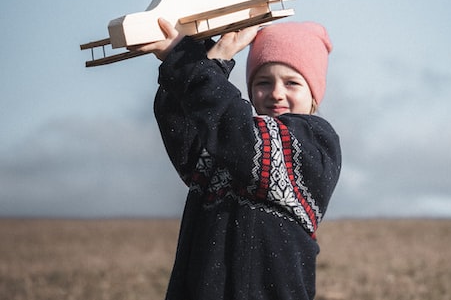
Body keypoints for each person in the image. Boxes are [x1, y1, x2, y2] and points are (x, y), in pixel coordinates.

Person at [131, 18, 341, 300]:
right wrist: (213, 59)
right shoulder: (226, 142)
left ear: (314, 92)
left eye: (292, 83)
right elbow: (178, 121)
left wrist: (187, 61)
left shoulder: (316, 141)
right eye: (263, 82)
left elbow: (241, 136)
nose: (276, 93)